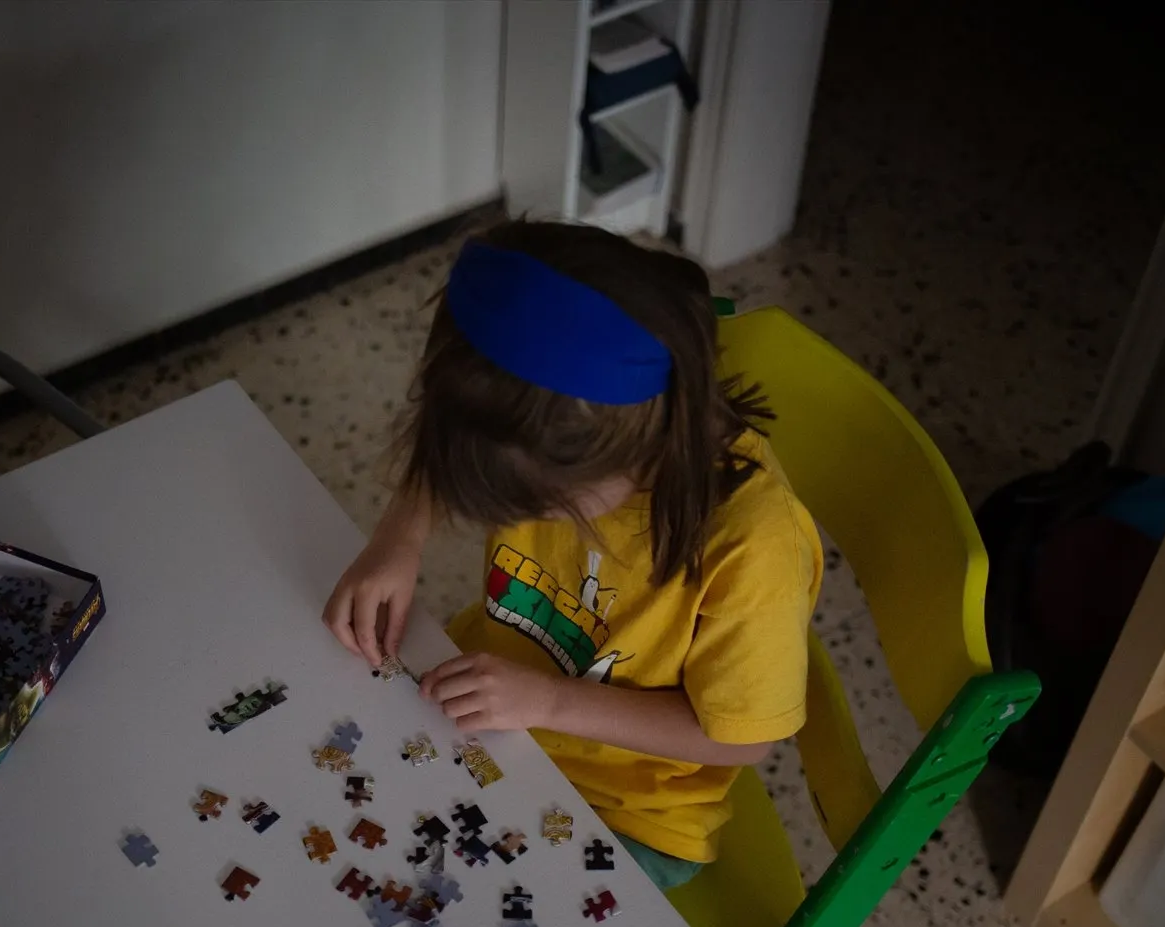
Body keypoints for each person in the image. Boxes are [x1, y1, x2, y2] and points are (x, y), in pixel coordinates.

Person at [323, 221, 822, 891]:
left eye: (535, 507)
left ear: (628, 453)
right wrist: (398, 536)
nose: (517, 520)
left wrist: (552, 703)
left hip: (630, 813)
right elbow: (451, 432)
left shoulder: (756, 547)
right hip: (489, 712)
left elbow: (740, 738)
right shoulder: (568, 424)